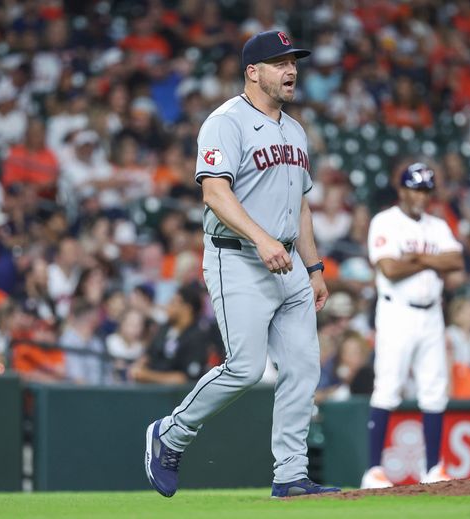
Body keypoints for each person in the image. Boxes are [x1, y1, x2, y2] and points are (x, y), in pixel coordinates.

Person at [144, 31, 339, 499]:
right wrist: (261, 238)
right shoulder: (225, 121)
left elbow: (302, 205)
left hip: (289, 260)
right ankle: (171, 434)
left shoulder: (294, 130)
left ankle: (291, 473)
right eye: (279, 62)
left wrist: (314, 269)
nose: (290, 70)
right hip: (238, 257)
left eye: (293, 62)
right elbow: (214, 191)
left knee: (303, 366)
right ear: (253, 71)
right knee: (245, 368)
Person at [361, 162, 465, 489]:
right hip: (397, 313)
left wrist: (418, 260)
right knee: (388, 387)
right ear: (402, 190)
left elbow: (457, 261)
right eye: (415, 189)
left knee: (434, 391)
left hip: (432, 313)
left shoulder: (437, 225)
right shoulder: (385, 221)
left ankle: (433, 468)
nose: (421, 196)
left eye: (426, 191)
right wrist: (431, 262)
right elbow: (389, 269)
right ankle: (373, 470)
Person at [130, 285, 216, 385]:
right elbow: (149, 354)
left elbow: (185, 378)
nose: (168, 306)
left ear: (187, 308)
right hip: (151, 392)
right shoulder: (165, 328)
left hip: (178, 397)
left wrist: (146, 376)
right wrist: (138, 366)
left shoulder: (197, 337)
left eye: (173, 302)